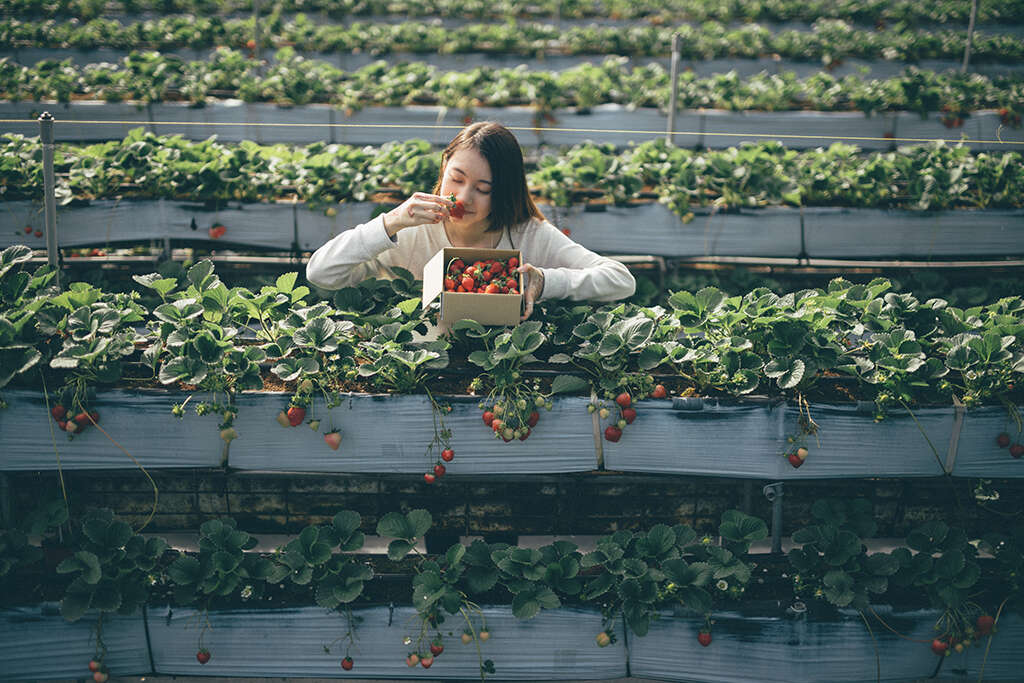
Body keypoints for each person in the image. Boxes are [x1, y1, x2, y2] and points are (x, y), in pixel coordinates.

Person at [305, 121, 635, 320]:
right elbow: (321, 273)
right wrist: (388, 223)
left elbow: (620, 280)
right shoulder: (408, 231)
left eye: (483, 189)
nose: (463, 198)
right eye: (456, 178)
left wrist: (545, 282)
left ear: (504, 193)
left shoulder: (527, 234)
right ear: (444, 164)